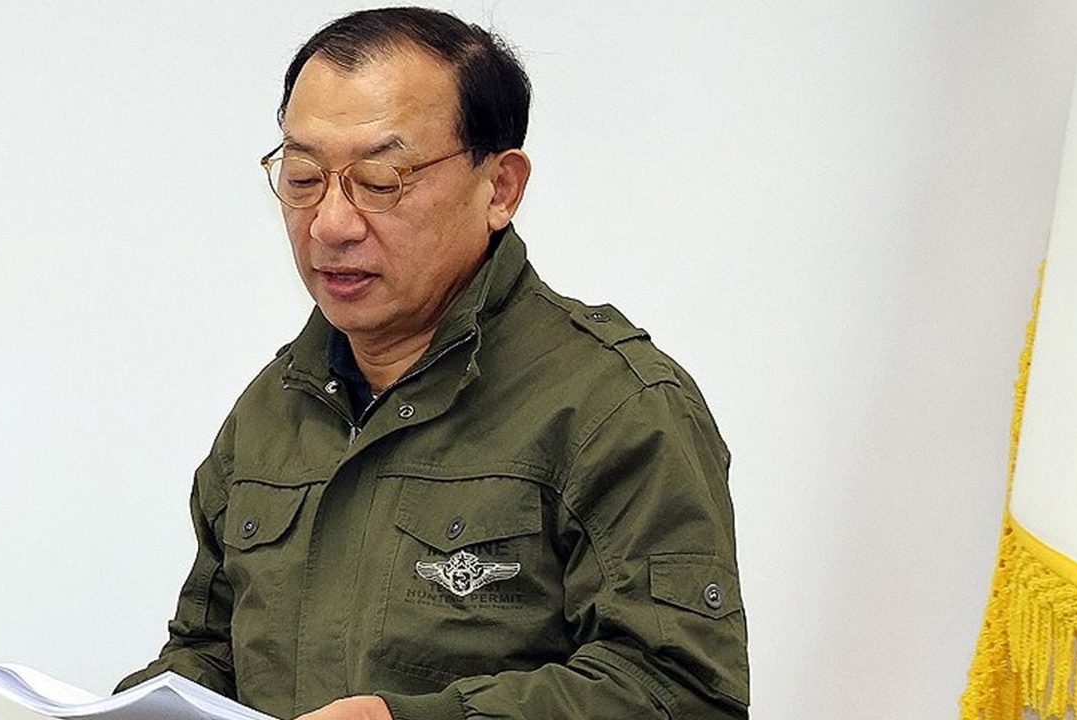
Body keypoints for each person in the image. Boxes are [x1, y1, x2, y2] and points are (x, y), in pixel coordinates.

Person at [117, 7, 748, 720]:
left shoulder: (615, 407)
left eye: (381, 179)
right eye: (303, 176)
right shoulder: (273, 408)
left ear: (500, 188)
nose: (331, 223)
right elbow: (209, 650)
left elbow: (682, 694)